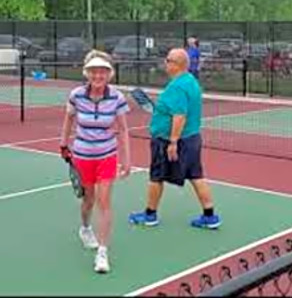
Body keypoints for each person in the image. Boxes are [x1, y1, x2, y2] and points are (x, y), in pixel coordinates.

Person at [128, 48, 221, 229]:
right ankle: (210, 216)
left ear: (176, 64)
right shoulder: (190, 81)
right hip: (192, 138)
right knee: (196, 176)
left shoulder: (177, 87)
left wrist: (173, 142)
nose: (165, 63)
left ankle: (149, 215)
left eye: (168, 60)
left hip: (170, 140)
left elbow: (180, 116)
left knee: (156, 177)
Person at [59, 50, 131, 274]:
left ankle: (102, 252)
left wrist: (127, 159)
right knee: (88, 201)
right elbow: (68, 119)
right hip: (82, 156)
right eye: (94, 72)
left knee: (104, 202)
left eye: (102, 72)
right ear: (87, 74)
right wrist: (63, 145)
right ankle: (85, 228)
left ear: (109, 75)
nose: (98, 76)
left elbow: (123, 129)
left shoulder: (117, 97)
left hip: (107, 155)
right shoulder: (76, 95)